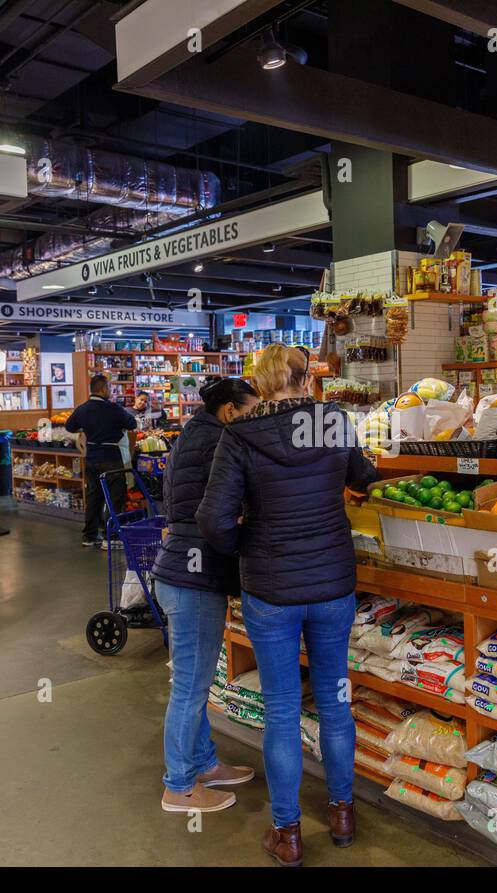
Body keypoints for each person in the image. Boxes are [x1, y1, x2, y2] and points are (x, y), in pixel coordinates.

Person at [198, 344, 378, 866]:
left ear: (260, 381)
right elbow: (363, 478)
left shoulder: (239, 434)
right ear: (307, 379)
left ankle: (288, 833)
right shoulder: (334, 422)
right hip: (332, 587)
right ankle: (343, 813)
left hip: (270, 591)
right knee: (335, 699)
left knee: (281, 711)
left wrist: (245, 549)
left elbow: (213, 521)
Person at [154, 377, 260, 814]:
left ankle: (203, 764)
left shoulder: (193, 435)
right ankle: (178, 787)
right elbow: (215, 513)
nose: (255, 417)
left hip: (179, 568)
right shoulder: (220, 442)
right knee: (191, 688)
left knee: (191, 682)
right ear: (231, 410)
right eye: (252, 410)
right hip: (194, 576)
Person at [65, 374, 138, 547]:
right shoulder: (113, 408)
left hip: (91, 457)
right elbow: (132, 423)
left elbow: (69, 426)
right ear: (103, 389)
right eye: (110, 387)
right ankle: (110, 537)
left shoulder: (82, 409)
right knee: (114, 498)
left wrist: (88, 427)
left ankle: (89, 535)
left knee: (93, 496)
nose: (111, 391)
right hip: (111, 457)